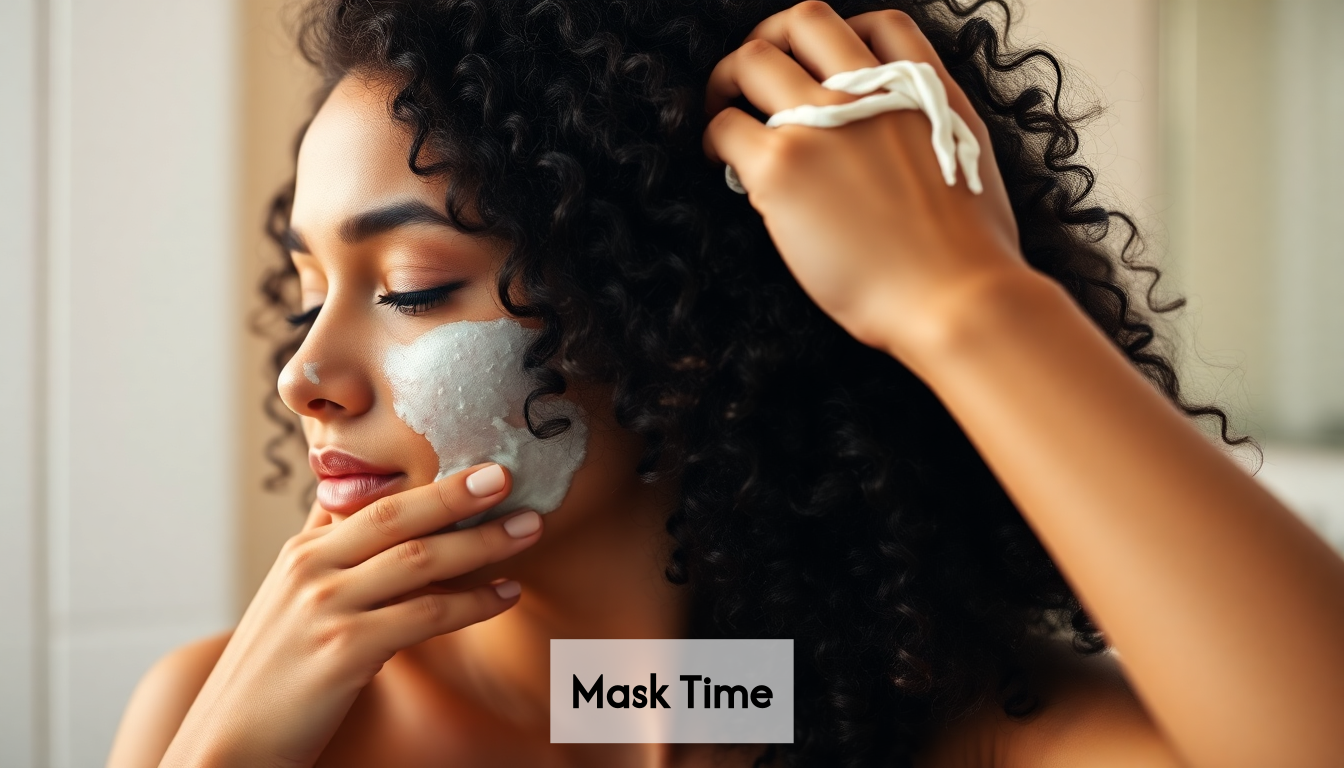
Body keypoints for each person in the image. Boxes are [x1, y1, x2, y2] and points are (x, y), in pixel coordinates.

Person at [107, 1, 1344, 766]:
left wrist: (966, 300)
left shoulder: (982, 739)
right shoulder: (231, 720)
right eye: (307, 283)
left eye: (417, 285)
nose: (302, 378)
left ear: (675, 324)